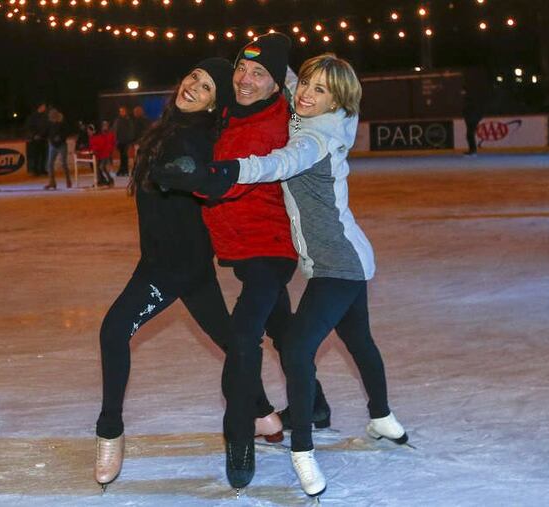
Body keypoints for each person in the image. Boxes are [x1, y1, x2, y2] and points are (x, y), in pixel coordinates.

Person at [159, 54, 409, 498]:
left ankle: (303, 453)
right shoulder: (318, 112)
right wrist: (271, 56)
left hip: (340, 265)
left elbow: (273, 164)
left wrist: (227, 169)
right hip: (340, 258)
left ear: (339, 100)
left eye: (320, 91)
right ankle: (383, 418)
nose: (307, 95)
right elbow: (287, 82)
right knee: (359, 341)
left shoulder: (313, 138)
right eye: (306, 86)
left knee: (295, 346)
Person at [153, 33, 332, 491]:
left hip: (270, 247)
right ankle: (314, 403)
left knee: (243, 334)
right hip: (235, 244)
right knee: (282, 328)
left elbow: (241, 176)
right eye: (242, 70)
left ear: (277, 85)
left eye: (259, 74)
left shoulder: (284, 124)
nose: (246, 80)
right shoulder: (228, 110)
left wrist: (199, 180)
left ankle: (239, 439)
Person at [95, 57, 249, 490]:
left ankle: (110, 431)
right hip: (173, 262)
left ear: (213, 105)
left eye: (205, 88)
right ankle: (266, 414)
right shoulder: (163, 130)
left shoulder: (200, 137)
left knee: (112, 332)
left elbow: (208, 176)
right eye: (193, 78)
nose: (193, 87)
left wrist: (190, 174)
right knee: (232, 342)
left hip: (174, 267)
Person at [44, 108, 72, 190]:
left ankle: (68, 180)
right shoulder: (49, 123)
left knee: (63, 163)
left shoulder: (62, 123)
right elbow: (46, 132)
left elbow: (66, 132)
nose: (51, 118)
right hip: (52, 145)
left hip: (61, 145)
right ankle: (52, 182)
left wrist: (60, 137)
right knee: (49, 164)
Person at [90, 120, 116, 187]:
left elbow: (113, 143)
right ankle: (102, 180)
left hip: (106, 153)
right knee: (99, 168)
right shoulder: (101, 134)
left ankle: (109, 180)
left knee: (102, 167)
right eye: (103, 125)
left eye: (106, 125)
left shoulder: (110, 134)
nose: (105, 127)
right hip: (101, 153)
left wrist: (111, 151)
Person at [25, 102, 49, 176]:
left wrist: (44, 135)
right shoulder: (33, 116)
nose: (45, 108)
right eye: (44, 106)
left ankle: (42, 169)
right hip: (35, 139)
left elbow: (46, 127)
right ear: (40, 107)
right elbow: (29, 127)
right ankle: (35, 170)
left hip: (44, 138)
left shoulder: (45, 116)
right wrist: (34, 135)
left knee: (44, 155)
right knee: (36, 155)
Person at [113, 106, 135, 176]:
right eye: (120, 111)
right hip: (120, 141)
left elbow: (131, 130)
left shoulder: (128, 120)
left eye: (122, 111)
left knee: (124, 155)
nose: (121, 112)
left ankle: (124, 170)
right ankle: (122, 170)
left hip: (126, 141)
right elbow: (115, 130)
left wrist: (130, 140)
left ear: (126, 111)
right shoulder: (118, 120)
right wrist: (115, 140)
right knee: (122, 156)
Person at [463, 90, 483, 156]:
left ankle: (473, 150)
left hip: (472, 122)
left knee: (470, 135)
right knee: (470, 136)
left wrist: (476, 120)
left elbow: (477, 114)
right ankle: (472, 150)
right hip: (471, 121)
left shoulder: (470, 105)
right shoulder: (471, 105)